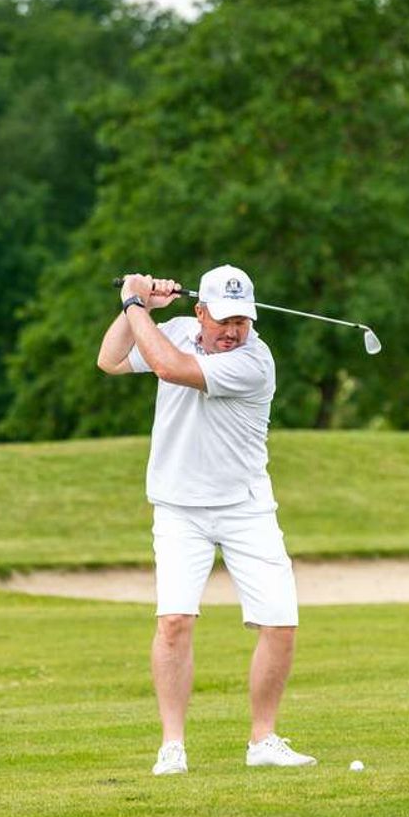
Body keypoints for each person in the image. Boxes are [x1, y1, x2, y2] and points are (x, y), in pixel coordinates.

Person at [97, 265, 315, 774]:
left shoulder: (255, 361)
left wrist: (134, 303)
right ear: (200, 313)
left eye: (241, 320)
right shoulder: (173, 331)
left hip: (245, 506)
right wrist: (138, 311)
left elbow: (170, 368)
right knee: (174, 622)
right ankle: (172, 745)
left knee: (280, 624)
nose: (233, 331)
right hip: (178, 507)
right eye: (223, 320)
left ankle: (263, 740)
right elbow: (110, 360)